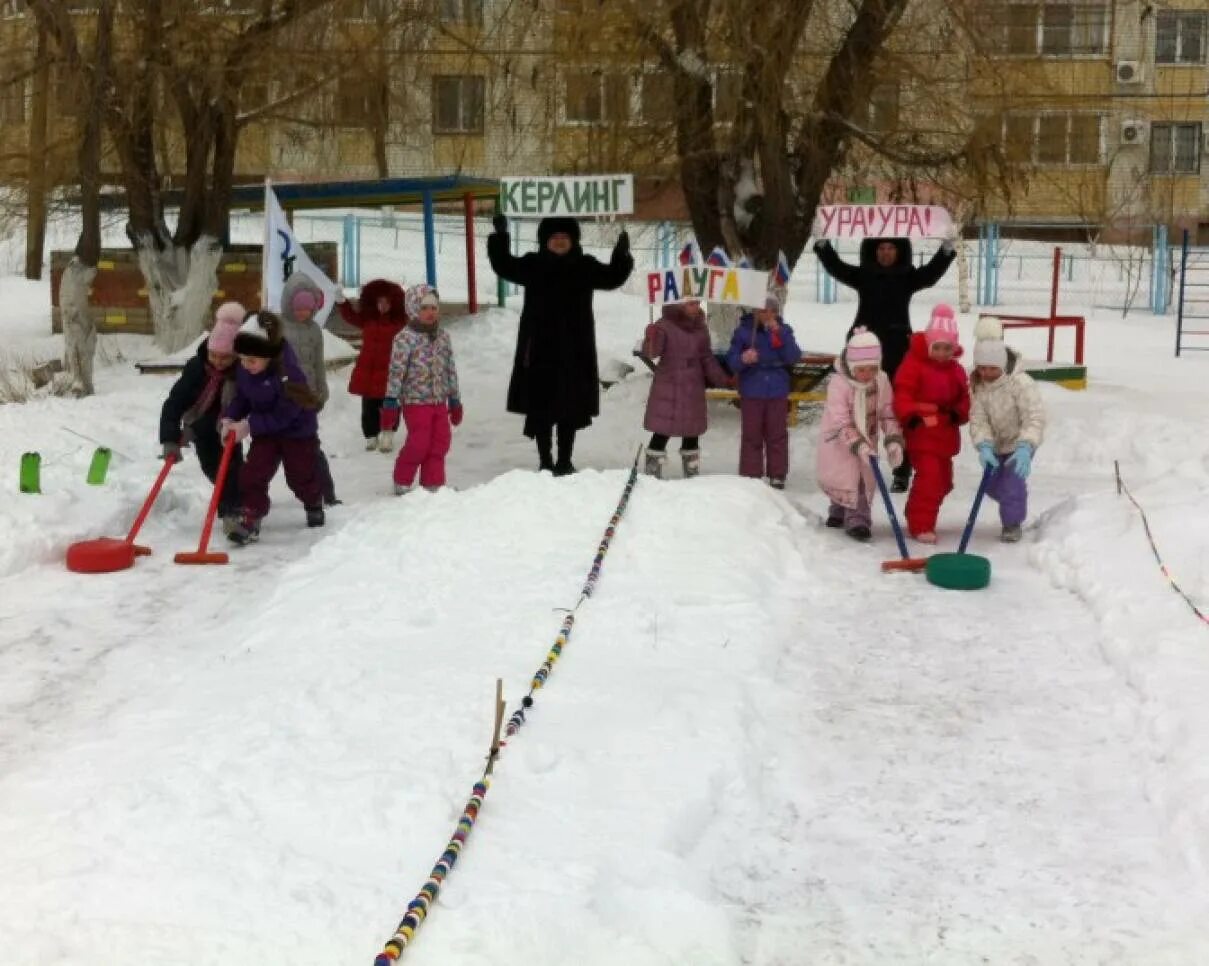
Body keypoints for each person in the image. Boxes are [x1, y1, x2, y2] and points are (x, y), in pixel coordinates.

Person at [487, 214, 633, 475]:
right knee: (541, 408)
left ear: (573, 240)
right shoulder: (533, 264)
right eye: (554, 238)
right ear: (545, 240)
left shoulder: (584, 266)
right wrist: (500, 236)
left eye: (564, 237)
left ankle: (565, 460)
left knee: (570, 408)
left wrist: (621, 254)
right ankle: (545, 460)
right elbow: (505, 266)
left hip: (575, 350)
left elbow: (612, 277)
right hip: (539, 348)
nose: (559, 242)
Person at [814, 232, 957, 491]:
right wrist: (823, 246)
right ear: (873, 251)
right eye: (881, 248)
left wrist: (946, 251)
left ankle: (902, 468)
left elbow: (930, 274)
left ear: (900, 252)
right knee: (857, 410)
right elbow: (837, 268)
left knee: (898, 411)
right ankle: (856, 463)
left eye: (891, 248)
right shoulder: (864, 275)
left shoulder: (906, 277)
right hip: (863, 353)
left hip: (897, 352)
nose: (886, 253)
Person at [222, 311, 325, 545]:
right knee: (253, 473)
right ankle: (251, 516)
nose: (246, 365)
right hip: (266, 432)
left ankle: (313, 500)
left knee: (300, 476)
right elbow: (242, 398)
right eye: (242, 359)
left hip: (297, 432)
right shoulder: (246, 370)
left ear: (268, 356)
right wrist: (229, 419)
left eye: (252, 360)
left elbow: (285, 414)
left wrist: (248, 425)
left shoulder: (289, 375)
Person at [159, 302, 245, 525]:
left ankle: (233, 513)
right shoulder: (196, 368)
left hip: (229, 427)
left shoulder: (241, 374)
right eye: (214, 355)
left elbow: (242, 405)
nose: (218, 361)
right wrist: (170, 438)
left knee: (231, 471)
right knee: (213, 471)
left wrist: (240, 425)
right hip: (201, 427)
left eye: (225, 357)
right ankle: (238, 499)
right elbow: (174, 402)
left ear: (236, 356)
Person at [891, 304, 970, 543]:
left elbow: (965, 398)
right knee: (930, 479)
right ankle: (921, 523)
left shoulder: (956, 370)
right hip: (922, 432)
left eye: (948, 348)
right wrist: (909, 415)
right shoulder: (914, 365)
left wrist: (959, 413)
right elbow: (902, 394)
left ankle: (916, 508)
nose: (943, 353)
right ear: (929, 345)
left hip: (945, 434)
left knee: (944, 483)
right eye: (938, 347)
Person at [816, 327, 904, 541]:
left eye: (872, 369)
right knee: (846, 477)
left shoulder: (881, 381)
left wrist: (893, 440)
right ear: (852, 366)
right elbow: (840, 421)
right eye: (862, 370)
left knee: (862, 479)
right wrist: (858, 444)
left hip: (868, 439)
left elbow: (887, 413)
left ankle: (847, 515)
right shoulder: (839, 384)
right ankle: (855, 520)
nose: (868, 375)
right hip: (840, 440)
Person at [968, 317, 1046, 543]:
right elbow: (978, 419)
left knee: (1011, 484)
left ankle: (1012, 523)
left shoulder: (1020, 383)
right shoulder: (979, 386)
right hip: (996, 446)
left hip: (1019, 443)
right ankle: (1014, 498)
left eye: (992, 368)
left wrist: (1026, 446)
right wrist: (984, 445)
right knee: (992, 485)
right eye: (981, 368)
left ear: (1002, 365)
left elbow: (1034, 417)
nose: (986, 373)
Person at [383, 284, 462, 495]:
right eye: (424, 307)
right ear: (413, 308)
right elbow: (396, 371)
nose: (430, 312)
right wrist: (391, 401)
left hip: (439, 401)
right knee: (419, 443)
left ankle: (433, 483)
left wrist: (454, 399)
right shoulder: (404, 338)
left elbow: (450, 369)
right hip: (415, 402)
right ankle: (402, 480)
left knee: (440, 442)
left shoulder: (443, 337)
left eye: (434, 308)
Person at [641, 299, 731, 479]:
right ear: (678, 305)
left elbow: (706, 357)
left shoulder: (700, 327)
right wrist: (651, 337)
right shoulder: (664, 325)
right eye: (691, 304)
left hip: (692, 387)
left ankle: (691, 472)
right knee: (663, 429)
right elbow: (652, 353)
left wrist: (724, 380)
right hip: (669, 385)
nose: (696, 307)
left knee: (692, 430)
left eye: (697, 303)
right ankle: (652, 471)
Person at [726, 293, 801, 490]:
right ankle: (751, 473)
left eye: (770, 310)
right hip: (752, 388)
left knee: (777, 433)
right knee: (752, 433)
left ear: (776, 312)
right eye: (761, 310)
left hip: (777, 388)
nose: (765, 314)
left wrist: (780, 334)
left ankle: (777, 473)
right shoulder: (744, 332)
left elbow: (793, 356)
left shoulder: (783, 331)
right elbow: (732, 360)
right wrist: (743, 359)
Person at [279, 272, 338, 506]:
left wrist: (321, 391)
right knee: (274, 449)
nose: (303, 313)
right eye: (298, 308)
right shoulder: (279, 328)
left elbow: (318, 363)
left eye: (308, 309)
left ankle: (327, 493)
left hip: (307, 400)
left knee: (311, 447)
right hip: (283, 399)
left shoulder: (314, 331)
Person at [336, 278, 407, 452]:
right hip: (368, 370)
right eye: (379, 302)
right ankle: (371, 435)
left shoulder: (399, 323)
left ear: (394, 303)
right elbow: (351, 316)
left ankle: (388, 433)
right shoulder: (368, 320)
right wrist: (342, 302)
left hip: (390, 371)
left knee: (390, 404)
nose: (382, 306)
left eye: (387, 302)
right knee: (368, 406)